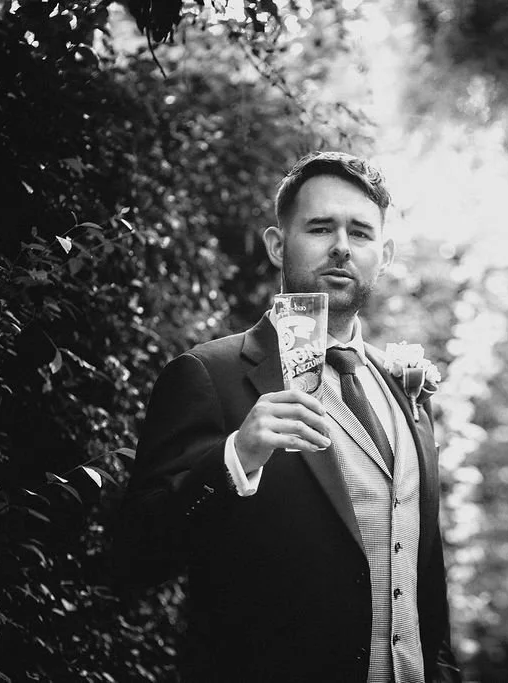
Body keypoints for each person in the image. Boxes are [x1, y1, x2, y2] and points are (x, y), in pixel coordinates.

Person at [114, 151, 461, 683]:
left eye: (361, 233)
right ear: (278, 245)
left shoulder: (404, 389)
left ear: (384, 254)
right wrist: (235, 457)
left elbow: (423, 574)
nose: (342, 246)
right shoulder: (209, 375)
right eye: (320, 227)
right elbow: (135, 558)